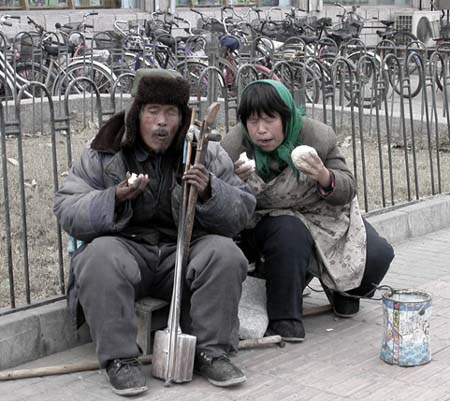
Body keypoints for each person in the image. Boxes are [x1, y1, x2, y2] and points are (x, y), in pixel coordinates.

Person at [54, 69, 256, 396]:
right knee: (97, 256)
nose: (161, 122)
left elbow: (243, 210)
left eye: (170, 113)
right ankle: (120, 359)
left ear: (182, 118)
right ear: (136, 114)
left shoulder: (203, 149)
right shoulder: (105, 150)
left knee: (225, 254)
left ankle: (212, 352)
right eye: (153, 111)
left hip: (183, 251)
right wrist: (114, 198)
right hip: (127, 251)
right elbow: (67, 208)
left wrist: (210, 191)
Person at [221, 80, 395, 343]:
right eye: (253, 121)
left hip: (320, 214)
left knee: (379, 254)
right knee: (289, 232)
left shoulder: (317, 137)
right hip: (266, 222)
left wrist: (325, 176)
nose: (261, 130)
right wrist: (231, 180)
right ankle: (285, 319)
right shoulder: (234, 147)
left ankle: (344, 291)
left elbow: (347, 187)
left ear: (287, 117)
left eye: (269, 119)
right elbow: (216, 198)